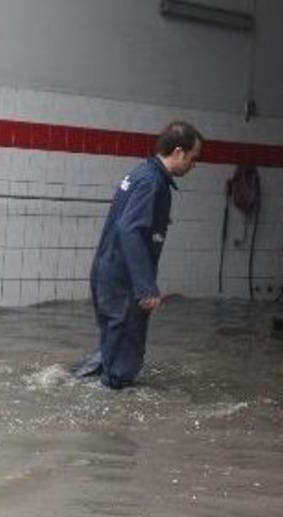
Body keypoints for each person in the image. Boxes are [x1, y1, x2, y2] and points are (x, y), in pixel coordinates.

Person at [73, 120, 204, 389]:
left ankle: (73, 385)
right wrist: (146, 286)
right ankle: (108, 410)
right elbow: (129, 229)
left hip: (108, 273)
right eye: (193, 158)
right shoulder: (151, 182)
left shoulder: (140, 173)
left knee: (112, 349)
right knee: (123, 364)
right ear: (178, 152)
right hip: (123, 282)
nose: (194, 165)